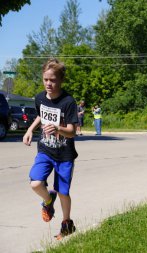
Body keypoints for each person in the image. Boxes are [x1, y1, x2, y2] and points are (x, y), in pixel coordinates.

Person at [22, 58, 78, 240]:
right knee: (35, 183)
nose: (48, 83)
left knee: (63, 192)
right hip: (45, 150)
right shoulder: (39, 98)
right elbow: (40, 115)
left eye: (53, 80)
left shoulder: (68, 102)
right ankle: (48, 200)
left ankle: (67, 223)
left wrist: (57, 128)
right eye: (46, 79)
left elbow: (71, 132)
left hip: (64, 155)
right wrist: (30, 129)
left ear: (61, 80)